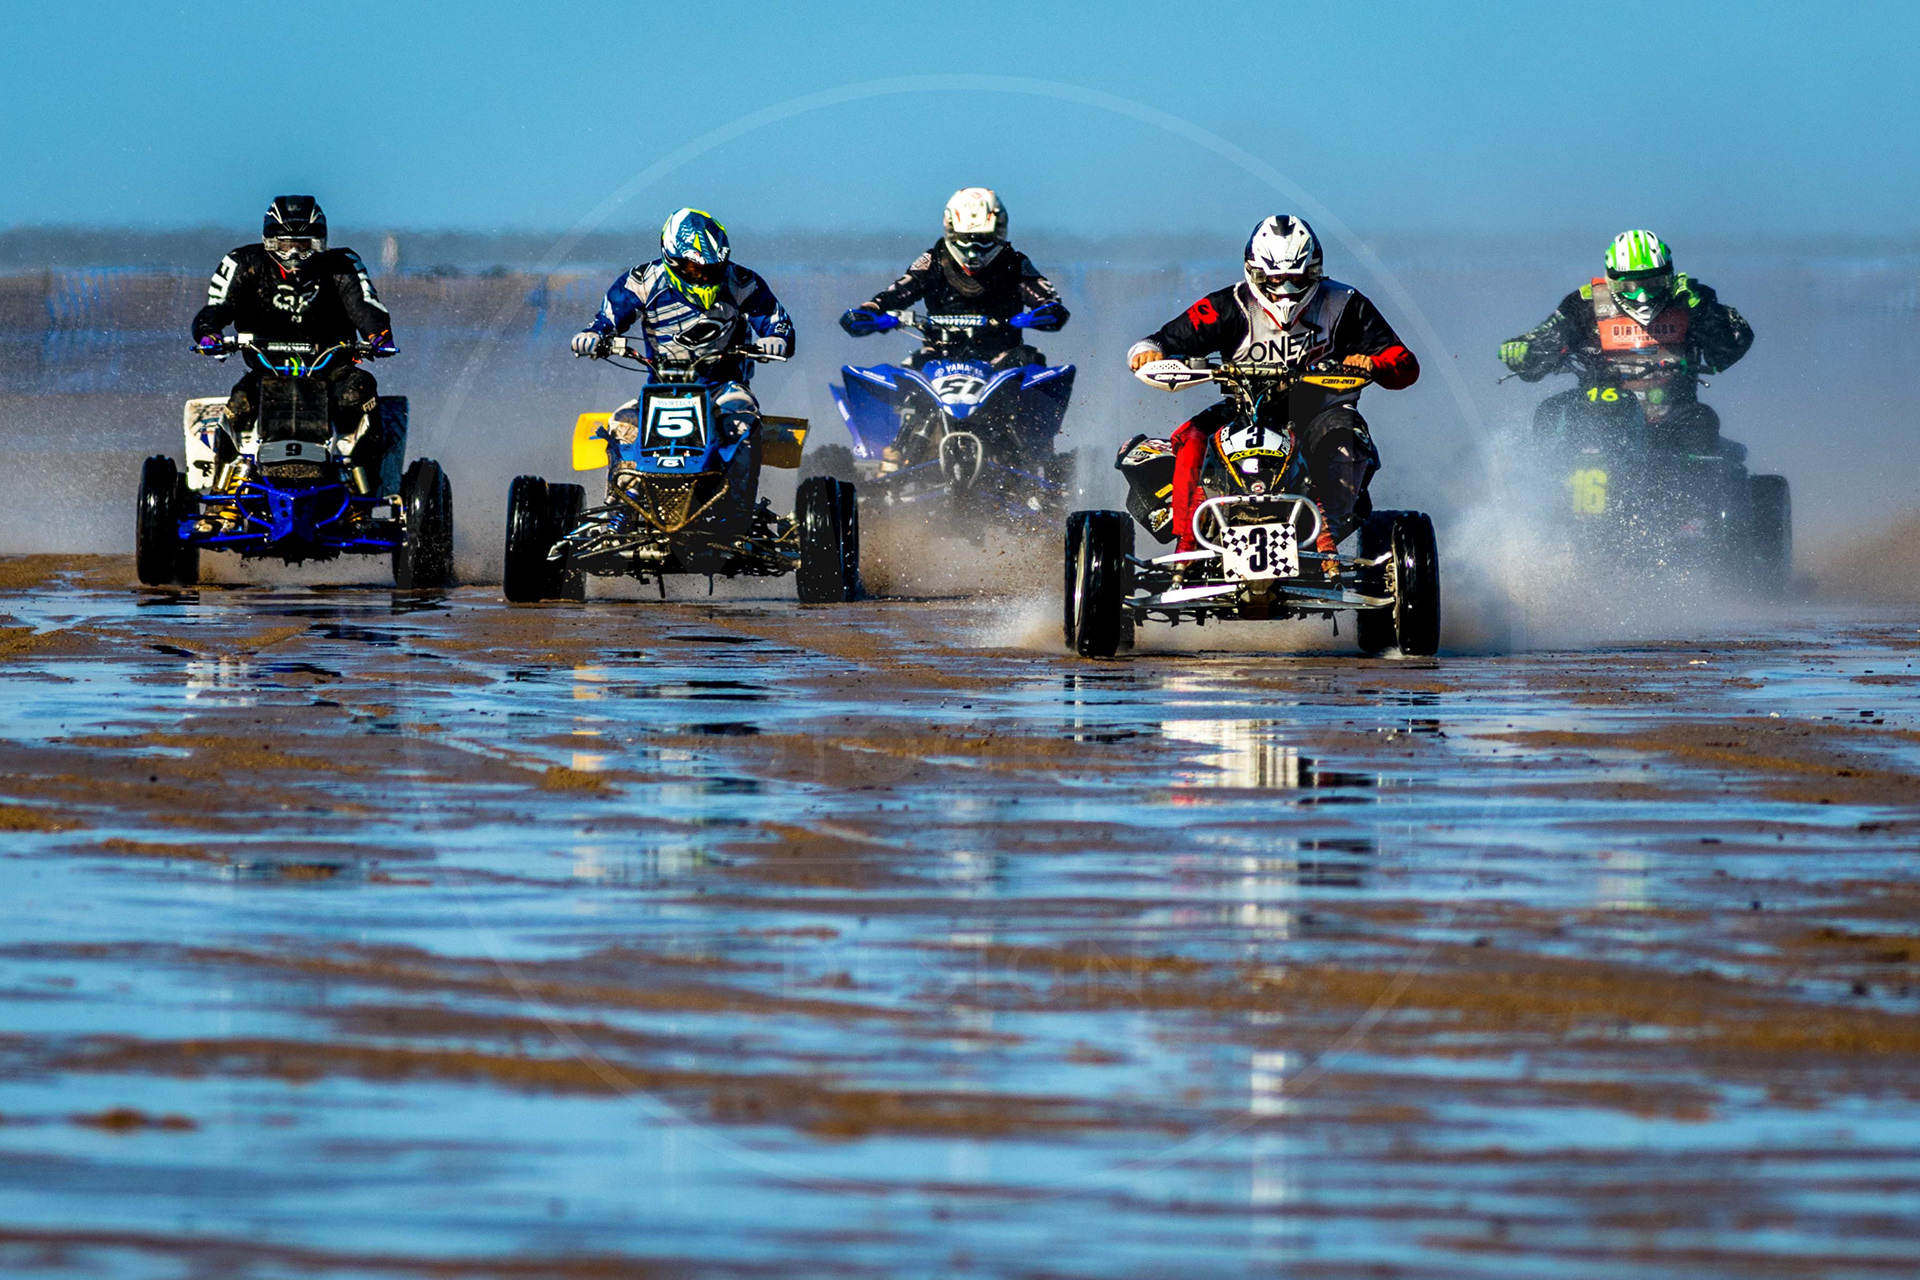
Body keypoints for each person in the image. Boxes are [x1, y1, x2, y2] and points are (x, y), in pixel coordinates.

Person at [1126, 215, 1419, 555]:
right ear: (1255, 272)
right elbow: (1163, 340)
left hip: (1321, 412)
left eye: (1296, 280)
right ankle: (1186, 543)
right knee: (1191, 439)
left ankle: (1324, 542)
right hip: (1243, 409)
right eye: (1275, 279)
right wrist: (1148, 353)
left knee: (1347, 440)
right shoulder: (1228, 305)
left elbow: (1405, 364)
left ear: (1314, 272)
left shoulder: (1345, 304)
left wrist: (1375, 362)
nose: (1285, 291)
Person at [570, 207, 793, 496]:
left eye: (711, 269)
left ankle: (736, 507)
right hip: (659, 392)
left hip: (723, 389)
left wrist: (776, 339)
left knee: (743, 422)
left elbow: (778, 324)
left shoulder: (741, 282)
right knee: (621, 426)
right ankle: (621, 509)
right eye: (693, 268)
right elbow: (608, 318)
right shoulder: (643, 281)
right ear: (672, 259)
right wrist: (594, 335)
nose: (702, 276)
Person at [190, 195, 397, 489]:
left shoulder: (343, 265)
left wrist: (378, 336)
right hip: (267, 372)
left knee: (360, 393)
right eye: (284, 245)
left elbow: (365, 306)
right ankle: (219, 503)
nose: (294, 255)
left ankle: (364, 495)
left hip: (332, 372)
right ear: (268, 242)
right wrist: (209, 334)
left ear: (321, 243)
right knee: (240, 405)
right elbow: (216, 307)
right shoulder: (243, 262)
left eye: (305, 246)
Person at [1498, 230, 1753, 453]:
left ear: (1669, 277)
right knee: (1551, 412)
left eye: (1653, 283)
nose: (1642, 296)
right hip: (1598, 410)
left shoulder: (1692, 299)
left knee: (1702, 421)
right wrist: (1523, 351)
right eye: (1630, 286)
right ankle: (1546, 491)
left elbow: (1727, 351)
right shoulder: (1584, 305)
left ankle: (1694, 506)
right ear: (1611, 280)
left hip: (1671, 416)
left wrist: (1702, 310)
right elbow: (1545, 342)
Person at [838, 187, 1068, 368]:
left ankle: (1029, 426)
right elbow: (897, 292)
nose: (973, 251)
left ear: (999, 234)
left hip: (1002, 358)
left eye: (983, 240)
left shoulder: (1014, 264)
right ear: (950, 231)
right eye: (965, 239)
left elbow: (1047, 299)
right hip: (939, 356)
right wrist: (869, 311)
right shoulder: (934, 261)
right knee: (906, 376)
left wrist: (1046, 312)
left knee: (1031, 365)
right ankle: (900, 426)